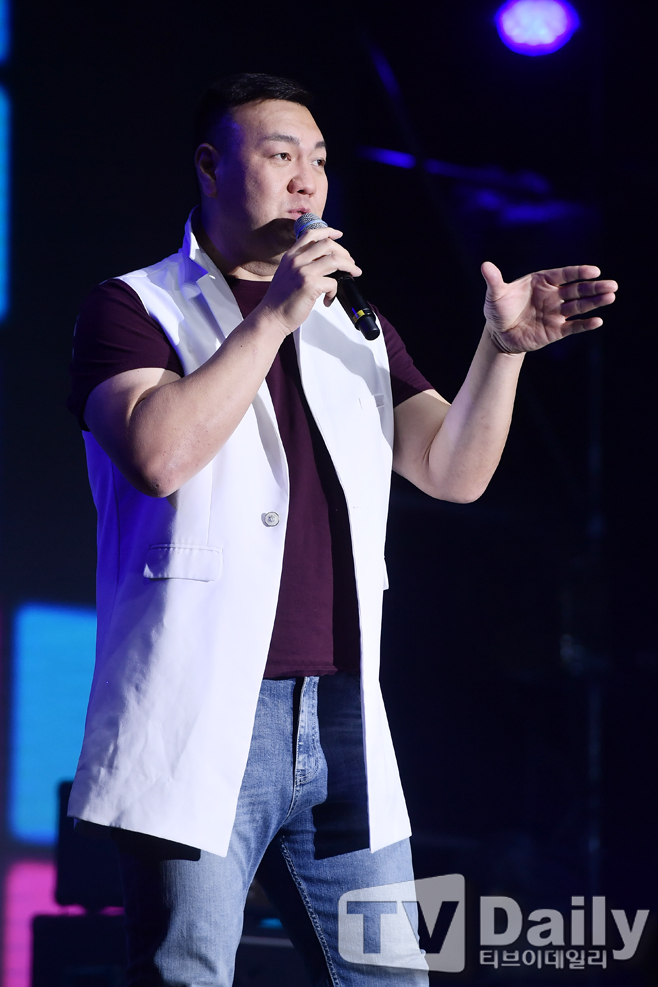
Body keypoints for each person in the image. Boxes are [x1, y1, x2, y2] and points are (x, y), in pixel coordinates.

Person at [67, 73, 617, 986]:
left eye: (319, 161)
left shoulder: (352, 325)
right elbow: (158, 454)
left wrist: (501, 352)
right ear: (210, 166)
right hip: (205, 712)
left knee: (388, 973)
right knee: (187, 972)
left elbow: (451, 469)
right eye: (281, 155)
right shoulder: (134, 306)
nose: (307, 181)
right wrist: (274, 315)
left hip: (343, 714)